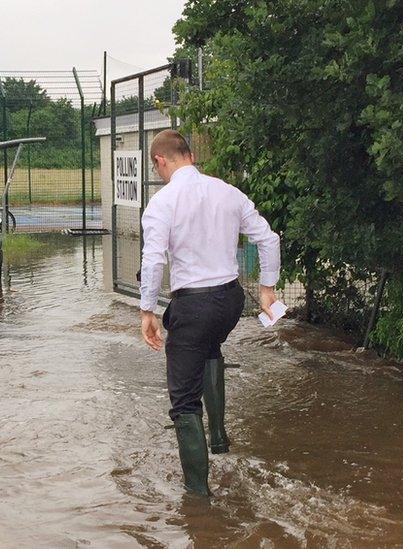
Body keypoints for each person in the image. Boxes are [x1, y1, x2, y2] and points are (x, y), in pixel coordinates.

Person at [139, 129, 280, 496]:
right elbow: (269, 239)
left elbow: (153, 259)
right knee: (210, 348)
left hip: (194, 303)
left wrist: (146, 311)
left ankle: (198, 499)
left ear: (160, 161)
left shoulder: (162, 202)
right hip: (230, 301)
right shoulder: (227, 192)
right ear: (188, 154)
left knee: (183, 402)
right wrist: (266, 290)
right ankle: (218, 439)